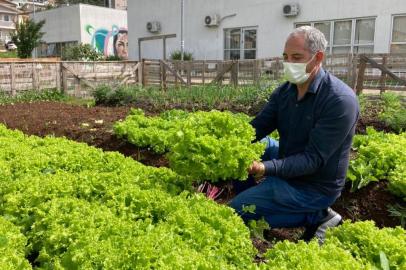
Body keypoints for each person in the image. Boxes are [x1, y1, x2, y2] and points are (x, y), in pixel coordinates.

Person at [229, 26, 359, 244]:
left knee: (237, 211)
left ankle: (318, 216)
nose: (289, 63)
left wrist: (265, 168)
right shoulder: (286, 91)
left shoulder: (339, 101)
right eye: (286, 57)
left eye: (296, 57)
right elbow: (258, 127)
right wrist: (227, 143)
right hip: (290, 161)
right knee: (244, 149)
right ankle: (260, 199)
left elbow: (313, 160)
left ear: (318, 58)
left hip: (313, 186)